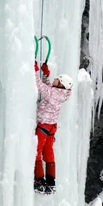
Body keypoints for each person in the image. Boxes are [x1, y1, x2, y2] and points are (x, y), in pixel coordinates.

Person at [34, 61, 72, 194]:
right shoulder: (59, 94)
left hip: (44, 125)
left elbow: (40, 86)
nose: (54, 80)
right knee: (48, 153)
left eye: (57, 79)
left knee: (36, 151)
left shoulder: (53, 94)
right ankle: (51, 182)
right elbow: (48, 88)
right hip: (51, 127)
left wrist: (35, 71)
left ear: (61, 84)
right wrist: (46, 75)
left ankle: (39, 181)